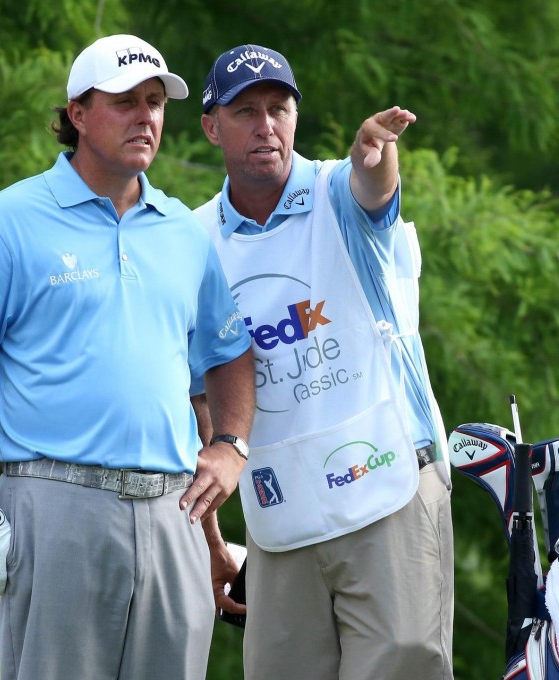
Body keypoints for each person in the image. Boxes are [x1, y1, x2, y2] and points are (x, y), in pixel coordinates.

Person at [0, 34, 255, 680]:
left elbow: (229, 353)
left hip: (172, 513)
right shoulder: (9, 222)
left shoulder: (182, 233)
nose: (146, 117)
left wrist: (232, 446)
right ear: (78, 113)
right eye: (126, 101)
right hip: (56, 505)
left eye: (155, 102)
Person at [193, 44, 455, 679]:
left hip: (387, 483)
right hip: (279, 515)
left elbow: (374, 188)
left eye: (279, 109)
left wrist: (377, 151)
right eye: (246, 111)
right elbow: (199, 402)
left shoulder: (337, 189)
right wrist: (209, 545)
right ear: (210, 126)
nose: (266, 126)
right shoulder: (192, 240)